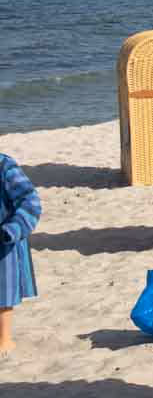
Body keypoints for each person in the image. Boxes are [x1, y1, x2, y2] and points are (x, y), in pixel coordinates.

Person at [1, 152, 40, 356]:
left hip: (4, 240)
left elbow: (30, 201)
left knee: (3, 291)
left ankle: (5, 338)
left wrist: (12, 229)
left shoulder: (4, 166)